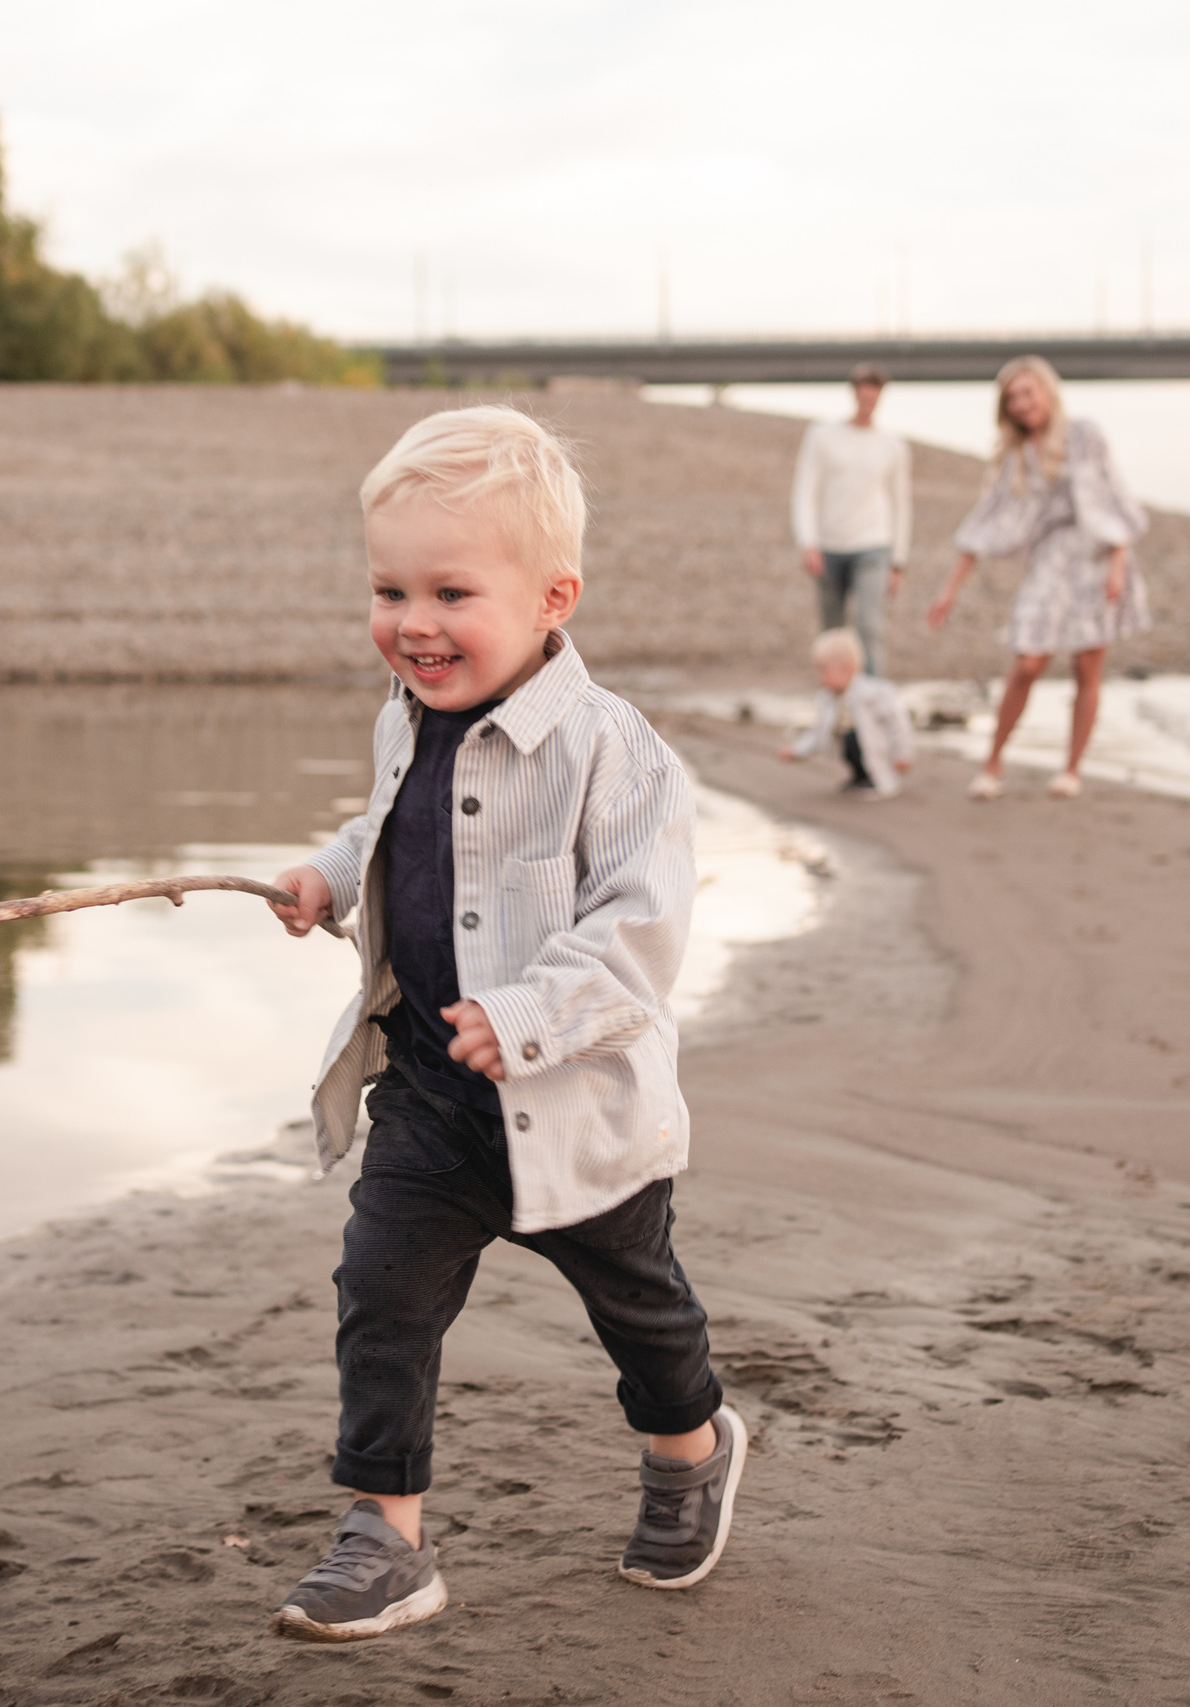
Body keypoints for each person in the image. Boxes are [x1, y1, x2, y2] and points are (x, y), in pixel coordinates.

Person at [264, 405, 743, 1642]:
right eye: (388, 589)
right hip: (431, 1097)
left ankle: (690, 1450)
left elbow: (640, 930)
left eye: (450, 592)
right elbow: (390, 834)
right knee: (382, 1293)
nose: (412, 624)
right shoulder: (403, 715)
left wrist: (527, 1015)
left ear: (550, 598)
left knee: (640, 1311)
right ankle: (384, 1535)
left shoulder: (611, 756)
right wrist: (326, 877)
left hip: (574, 1105)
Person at [925, 355, 1149, 800]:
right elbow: (985, 522)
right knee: (1027, 662)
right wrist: (950, 590)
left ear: (1047, 391)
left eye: (1028, 393)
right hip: (1050, 559)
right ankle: (992, 763)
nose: (1022, 404)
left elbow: (1114, 498)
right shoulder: (1017, 456)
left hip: (1097, 557)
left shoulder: (1084, 435)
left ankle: (1071, 769)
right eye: (1012, 399)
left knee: (1088, 667)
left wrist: (1119, 567)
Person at [791, 362, 912, 676]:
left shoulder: (893, 445)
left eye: (874, 397)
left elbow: (901, 502)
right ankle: (835, 705)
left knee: (869, 627)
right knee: (832, 633)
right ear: (854, 394)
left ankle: (872, 702)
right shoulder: (822, 436)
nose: (868, 403)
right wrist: (808, 542)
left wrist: (899, 561)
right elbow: (805, 490)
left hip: (874, 544)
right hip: (829, 546)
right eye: (863, 396)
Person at [778, 627, 916, 798]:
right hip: (854, 747)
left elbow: (898, 724)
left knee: (853, 737)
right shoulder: (828, 699)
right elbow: (819, 732)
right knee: (843, 737)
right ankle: (859, 776)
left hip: (878, 749)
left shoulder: (874, 694)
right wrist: (797, 751)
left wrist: (902, 754)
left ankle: (874, 778)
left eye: (825, 670)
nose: (820, 677)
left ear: (848, 668)